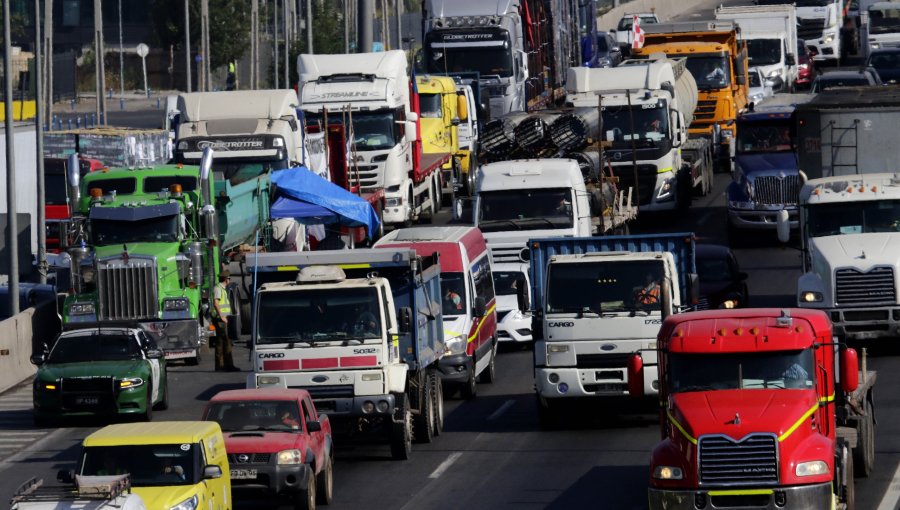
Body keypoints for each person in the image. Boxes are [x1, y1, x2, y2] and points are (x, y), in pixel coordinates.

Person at [213, 270, 239, 372]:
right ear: (226, 279)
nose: (230, 280)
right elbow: (216, 303)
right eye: (229, 278)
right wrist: (222, 316)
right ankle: (220, 366)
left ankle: (228, 365)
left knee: (228, 342)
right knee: (221, 343)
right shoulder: (218, 289)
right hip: (221, 319)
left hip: (225, 318)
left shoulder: (223, 289)